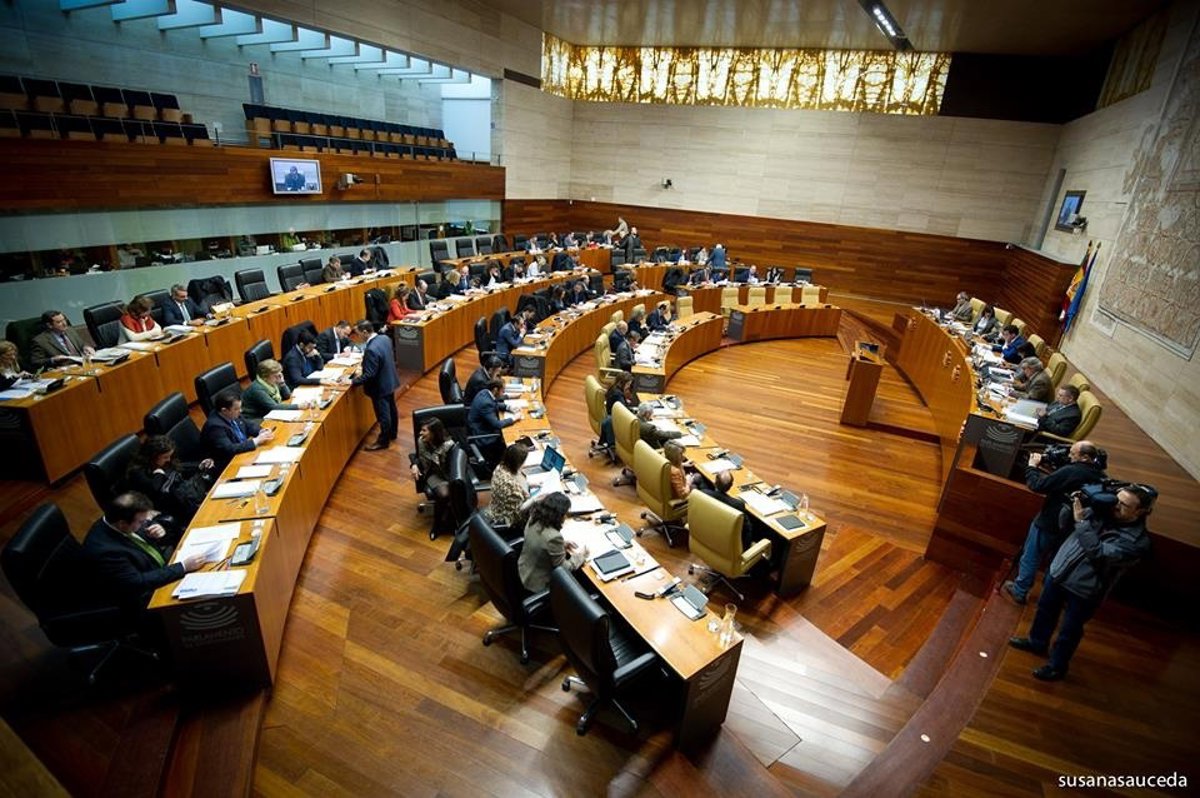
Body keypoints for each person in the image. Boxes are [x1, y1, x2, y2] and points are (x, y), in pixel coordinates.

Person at [1009, 485, 1153, 681]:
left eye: (1124, 505)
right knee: (1044, 610)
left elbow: (1098, 552)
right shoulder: (1101, 511)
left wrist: (1082, 521)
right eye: (1116, 499)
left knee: (1070, 629)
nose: (1116, 506)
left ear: (1141, 511)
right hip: (1060, 572)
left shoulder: (1137, 542)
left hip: (1085, 588)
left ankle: (1057, 666)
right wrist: (1078, 503)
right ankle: (1037, 642)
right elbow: (1066, 523)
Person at [1001, 440, 1106, 606]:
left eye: (1073, 454)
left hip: (1049, 521)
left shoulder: (1071, 471)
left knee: (1031, 555)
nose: (1069, 457)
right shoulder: (1100, 476)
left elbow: (1037, 485)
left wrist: (1032, 466)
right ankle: (1049, 596)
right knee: (1056, 561)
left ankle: (1020, 590)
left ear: (1085, 457)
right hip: (1071, 526)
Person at [83, 492, 213, 614]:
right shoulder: (105, 551)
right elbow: (137, 583)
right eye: (141, 522)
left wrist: (161, 532)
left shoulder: (121, 520)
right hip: (144, 597)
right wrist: (183, 567)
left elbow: (151, 539)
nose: (145, 523)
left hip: (162, 569)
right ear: (122, 524)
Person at [125, 435, 215, 522]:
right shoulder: (137, 472)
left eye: (169, 456)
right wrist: (158, 474)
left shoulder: (163, 462)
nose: (168, 460)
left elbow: (178, 468)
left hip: (184, 498)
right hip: (166, 506)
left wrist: (199, 465)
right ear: (153, 457)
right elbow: (153, 490)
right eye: (165, 457)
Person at [517, 492, 586, 592]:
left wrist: (562, 544)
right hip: (537, 585)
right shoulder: (554, 537)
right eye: (565, 514)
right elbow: (564, 569)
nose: (565, 517)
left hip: (522, 571)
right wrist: (581, 556)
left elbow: (541, 542)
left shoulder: (534, 518)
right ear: (559, 516)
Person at [350, 319, 400, 450]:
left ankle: (383, 441)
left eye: (358, 333)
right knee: (392, 408)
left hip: (379, 386)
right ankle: (393, 433)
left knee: (383, 415)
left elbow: (369, 375)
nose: (357, 337)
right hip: (390, 380)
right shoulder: (384, 338)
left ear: (365, 332)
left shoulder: (371, 349)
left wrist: (352, 382)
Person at [201, 390, 274, 470]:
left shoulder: (232, 414)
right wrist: (256, 440)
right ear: (224, 410)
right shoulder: (215, 427)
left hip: (245, 453)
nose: (240, 411)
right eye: (236, 409)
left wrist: (261, 431)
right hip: (230, 463)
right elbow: (230, 449)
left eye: (240, 407)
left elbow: (248, 425)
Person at [409, 417, 455, 533]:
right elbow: (418, 456)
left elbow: (453, 465)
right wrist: (414, 464)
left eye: (424, 430)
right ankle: (437, 524)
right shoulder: (421, 441)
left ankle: (452, 523)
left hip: (449, 473)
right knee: (444, 495)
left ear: (434, 432)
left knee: (456, 492)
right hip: (433, 473)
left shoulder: (449, 445)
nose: (420, 433)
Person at [468, 379, 519, 466]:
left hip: (480, 426)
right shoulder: (486, 403)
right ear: (495, 390)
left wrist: (508, 407)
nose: (503, 393)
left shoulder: (485, 392)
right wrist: (514, 418)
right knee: (512, 440)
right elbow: (497, 424)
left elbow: (494, 403)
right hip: (483, 435)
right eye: (502, 391)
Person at [485, 442, 532, 529]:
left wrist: (530, 484)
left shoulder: (500, 468)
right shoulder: (511, 486)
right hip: (511, 520)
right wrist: (535, 500)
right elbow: (520, 510)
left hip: (496, 507)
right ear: (518, 463)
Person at [30, 310, 95, 368]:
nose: (64, 323)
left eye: (64, 320)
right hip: (65, 369)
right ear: (49, 325)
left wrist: (86, 347)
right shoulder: (40, 341)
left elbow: (82, 344)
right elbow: (36, 362)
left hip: (83, 364)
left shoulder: (70, 330)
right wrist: (53, 360)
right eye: (59, 322)